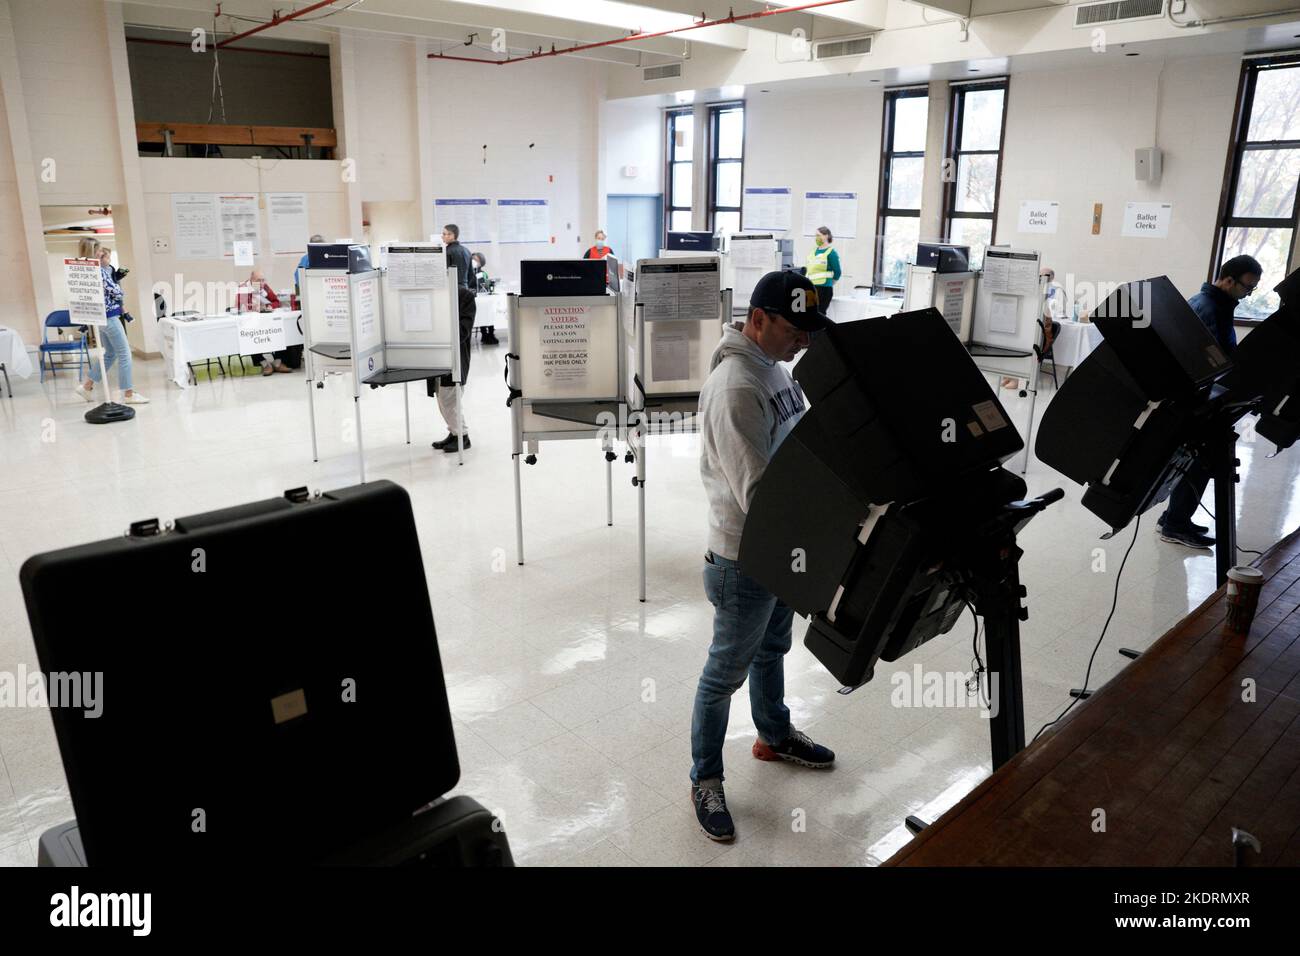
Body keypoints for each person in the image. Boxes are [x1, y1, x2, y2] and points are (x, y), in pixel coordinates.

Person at [690, 270, 836, 842]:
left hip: (781, 548)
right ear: (758, 319)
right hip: (744, 559)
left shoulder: (773, 367)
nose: (802, 341)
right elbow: (759, 493)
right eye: (793, 329)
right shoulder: (735, 387)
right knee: (723, 673)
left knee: (772, 647)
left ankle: (773, 735)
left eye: (808, 331)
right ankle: (705, 778)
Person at [1157, 254, 1263, 550]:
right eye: (1247, 287)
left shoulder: (1216, 304)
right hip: (1199, 399)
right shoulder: (1209, 307)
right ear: (1229, 280)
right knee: (1200, 461)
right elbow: (1208, 360)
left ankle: (1174, 517)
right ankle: (1175, 523)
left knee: (1196, 460)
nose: (1248, 294)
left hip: (1202, 397)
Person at [74, 239, 148, 405]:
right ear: (93, 251)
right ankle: (129, 394)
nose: (101, 253)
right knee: (125, 354)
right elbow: (117, 292)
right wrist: (117, 288)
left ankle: (87, 387)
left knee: (111, 354)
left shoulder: (82, 270)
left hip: (98, 317)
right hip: (110, 316)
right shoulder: (99, 271)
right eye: (99, 250)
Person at [428, 285, 477, 452]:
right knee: (441, 398)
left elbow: (464, 330)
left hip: (455, 357)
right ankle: (454, 433)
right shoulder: (435, 292)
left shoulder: (464, 296)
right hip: (436, 356)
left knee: (450, 399)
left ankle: (463, 436)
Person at [244, 268, 292, 376]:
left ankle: (278, 363)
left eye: (263, 280)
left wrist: (269, 306)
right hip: (252, 323)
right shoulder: (243, 288)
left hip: (267, 320)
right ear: (251, 279)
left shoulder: (264, 287)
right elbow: (240, 306)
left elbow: (276, 301)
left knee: (280, 331)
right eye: (258, 280)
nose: (261, 283)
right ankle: (265, 364)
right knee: (249, 337)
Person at [806, 225, 841, 317]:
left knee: (819, 314)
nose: (816, 238)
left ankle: (820, 332)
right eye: (815, 235)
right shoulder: (813, 251)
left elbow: (837, 271)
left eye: (819, 235)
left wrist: (831, 282)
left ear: (826, 236)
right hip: (810, 288)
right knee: (809, 314)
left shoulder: (831, 253)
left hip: (824, 288)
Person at [472, 251, 499, 345]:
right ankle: (484, 334)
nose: (474, 261)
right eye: (473, 260)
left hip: (485, 298)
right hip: (475, 299)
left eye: (476, 260)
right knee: (480, 313)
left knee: (490, 311)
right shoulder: (469, 273)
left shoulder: (483, 273)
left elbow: (486, 285)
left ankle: (491, 333)